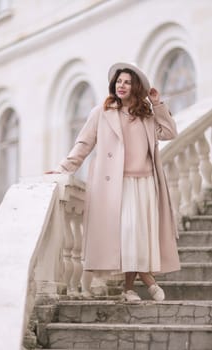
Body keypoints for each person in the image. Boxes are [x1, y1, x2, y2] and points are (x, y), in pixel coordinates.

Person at [46, 62, 180, 302]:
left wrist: (157, 104)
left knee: (139, 236)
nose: (122, 85)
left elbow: (169, 133)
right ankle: (148, 281)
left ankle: (128, 289)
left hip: (146, 182)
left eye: (127, 82)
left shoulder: (146, 114)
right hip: (118, 185)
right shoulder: (102, 112)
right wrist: (63, 169)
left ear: (135, 86)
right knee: (127, 234)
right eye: (119, 81)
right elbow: (84, 144)